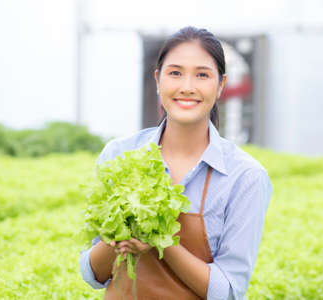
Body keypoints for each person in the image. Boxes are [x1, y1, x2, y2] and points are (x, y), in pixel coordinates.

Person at [80, 26, 273, 300]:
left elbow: (227, 291)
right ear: (158, 80)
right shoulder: (119, 154)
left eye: (202, 75)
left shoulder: (245, 177)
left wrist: (160, 241)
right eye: (175, 73)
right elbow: (92, 274)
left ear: (220, 85)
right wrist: (120, 234)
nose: (187, 87)